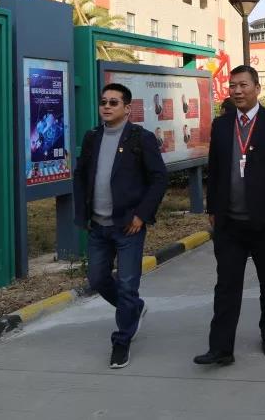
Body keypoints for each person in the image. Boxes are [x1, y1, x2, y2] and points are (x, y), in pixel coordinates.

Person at [195, 65, 265, 366]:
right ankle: (221, 348)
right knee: (226, 286)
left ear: (257, 88)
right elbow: (215, 171)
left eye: (243, 85)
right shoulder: (222, 125)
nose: (237, 91)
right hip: (230, 224)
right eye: (233, 85)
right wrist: (213, 209)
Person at [73, 83, 168, 369]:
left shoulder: (141, 138)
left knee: (127, 286)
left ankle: (122, 341)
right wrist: (83, 215)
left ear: (127, 108)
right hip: (98, 225)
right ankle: (135, 310)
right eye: (103, 102)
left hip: (129, 226)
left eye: (113, 102)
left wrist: (142, 215)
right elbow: (81, 175)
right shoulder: (92, 137)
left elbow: (158, 178)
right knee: (97, 279)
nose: (106, 106)